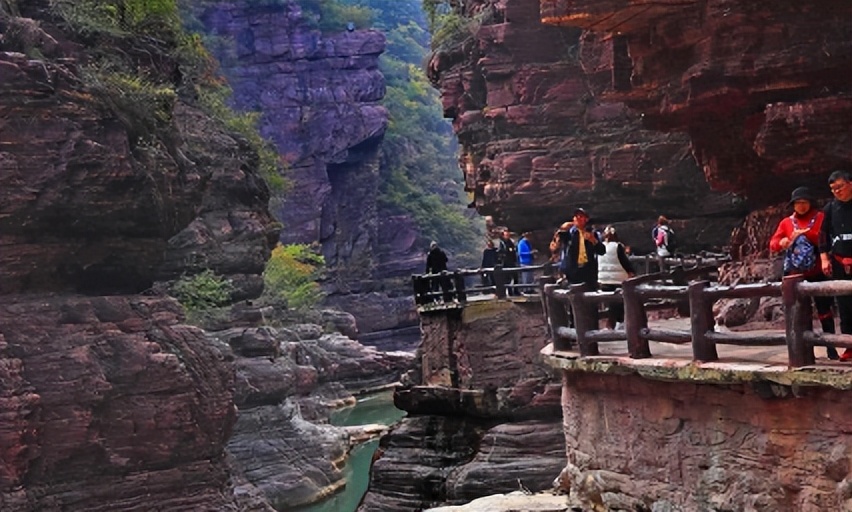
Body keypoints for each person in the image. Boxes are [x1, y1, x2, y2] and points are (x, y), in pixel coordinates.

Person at [770, 187, 838, 360]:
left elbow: (828, 237)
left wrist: (809, 235)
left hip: (818, 270)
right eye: (797, 203)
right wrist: (784, 241)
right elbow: (773, 244)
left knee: (824, 309)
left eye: (804, 203)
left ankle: (830, 346)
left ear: (810, 203)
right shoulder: (786, 222)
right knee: (798, 311)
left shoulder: (821, 217)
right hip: (796, 274)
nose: (800, 206)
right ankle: (801, 350)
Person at [820, 171, 852, 361]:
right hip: (840, 263)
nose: (837, 192)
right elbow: (823, 236)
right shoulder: (830, 209)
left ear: (850, 183)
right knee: (845, 305)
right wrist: (824, 258)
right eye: (833, 189)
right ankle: (849, 345)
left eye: (840, 187)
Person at [598, 225, 636, 329]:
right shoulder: (617, 246)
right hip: (617, 279)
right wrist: (631, 271)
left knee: (611, 303)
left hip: (603, 279)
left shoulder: (600, 246)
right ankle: (619, 323)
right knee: (619, 302)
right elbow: (624, 261)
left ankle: (611, 324)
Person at [558, 208, 606, 289]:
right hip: (573, 271)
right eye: (576, 216)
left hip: (588, 271)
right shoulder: (570, 233)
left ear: (586, 219)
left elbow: (602, 251)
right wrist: (563, 229)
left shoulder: (592, 233)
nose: (578, 219)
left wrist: (593, 241)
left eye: (581, 216)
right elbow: (558, 245)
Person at [497, 229, 519, 296]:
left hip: (512, 261)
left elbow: (514, 250)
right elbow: (500, 252)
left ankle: (516, 290)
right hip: (506, 263)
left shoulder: (511, 242)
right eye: (506, 235)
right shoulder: (502, 243)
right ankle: (510, 292)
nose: (508, 236)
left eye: (508, 235)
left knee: (515, 277)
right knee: (508, 278)